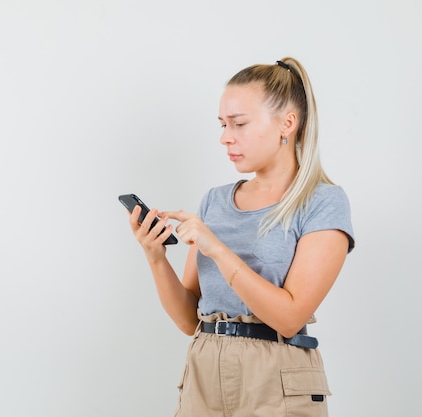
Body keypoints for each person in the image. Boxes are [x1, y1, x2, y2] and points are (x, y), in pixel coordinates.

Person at [126, 57, 355, 417]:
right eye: (222, 124)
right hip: (204, 368)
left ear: (287, 123)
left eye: (239, 124)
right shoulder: (215, 201)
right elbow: (190, 320)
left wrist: (217, 248)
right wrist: (155, 257)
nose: (225, 137)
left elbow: (291, 316)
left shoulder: (323, 202)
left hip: (276, 376)